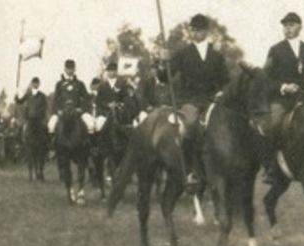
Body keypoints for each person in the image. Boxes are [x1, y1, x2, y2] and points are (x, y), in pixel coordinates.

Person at [156, 14, 230, 184]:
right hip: (189, 100)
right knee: (190, 124)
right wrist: (162, 62)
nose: (195, 33)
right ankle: (189, 169)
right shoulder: (183, 53)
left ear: (206, 31)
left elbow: (225, 81)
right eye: (193, 30)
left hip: (212, 100)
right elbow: (164, 77)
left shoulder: (216, 56)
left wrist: (221, 92)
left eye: (199, 30)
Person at [261, 11, 304, 183]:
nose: (288, 29)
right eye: (285, 26)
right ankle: (271, 167)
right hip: (282, 100)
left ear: (300, 27)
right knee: (272, 125)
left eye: (291, 25)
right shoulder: (276, 50)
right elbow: (265, 78)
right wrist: (283, 87)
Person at [48, 59, 94, 134]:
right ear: (65, 69)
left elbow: (86, 99)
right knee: (51, 125)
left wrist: (82, 109)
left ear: (74, 69)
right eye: (68, 68)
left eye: (71, 68)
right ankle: (52, 141)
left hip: (77, 111)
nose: (70, 70)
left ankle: (92, 141)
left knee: (90, 124)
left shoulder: (80, 84)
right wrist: (58, 110)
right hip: (62, 111)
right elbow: (56, 99)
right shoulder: (59, 84)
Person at [94, 62, 138, 130]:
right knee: (99, 126)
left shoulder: (122, 84)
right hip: (105, 113)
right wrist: (108, 104)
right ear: (107, 72)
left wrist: (120, 104)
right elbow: (98, 100)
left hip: (119, 113)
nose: (111, 72)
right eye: (110, 71)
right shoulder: (102, 86)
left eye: (113, 70)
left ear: (116, 72)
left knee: (132, 126)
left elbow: (126, 97)